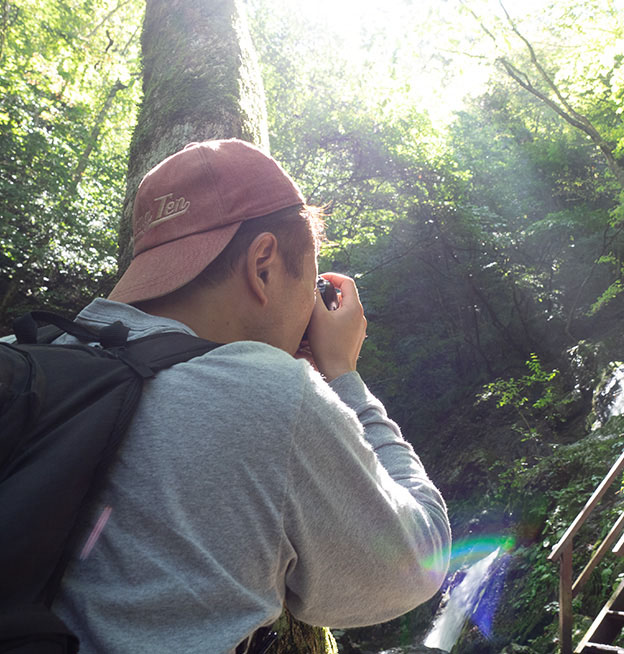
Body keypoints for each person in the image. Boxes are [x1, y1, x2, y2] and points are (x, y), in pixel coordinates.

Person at [50, 138, 451, 653]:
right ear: (263, 264)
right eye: (310, 286)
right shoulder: (274, 395)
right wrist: (342, 374)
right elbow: (420, 563)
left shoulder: (18, 355)